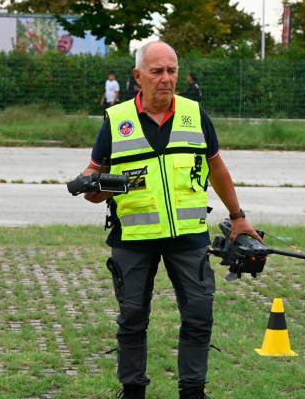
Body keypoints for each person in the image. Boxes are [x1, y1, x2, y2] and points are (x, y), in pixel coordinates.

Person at [79, 41, 259, 399]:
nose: (166, 79)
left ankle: (192, 390)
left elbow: (217, 168)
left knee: (198, 314)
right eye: (157, 71)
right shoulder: (117, 121)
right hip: (133, 237)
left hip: (188, 237)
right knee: (132, 317)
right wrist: (99, 186)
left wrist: (238, 217)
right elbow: (91, 181)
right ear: (138, 76)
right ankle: (133, 390)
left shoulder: (195, 115)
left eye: (172, 71)